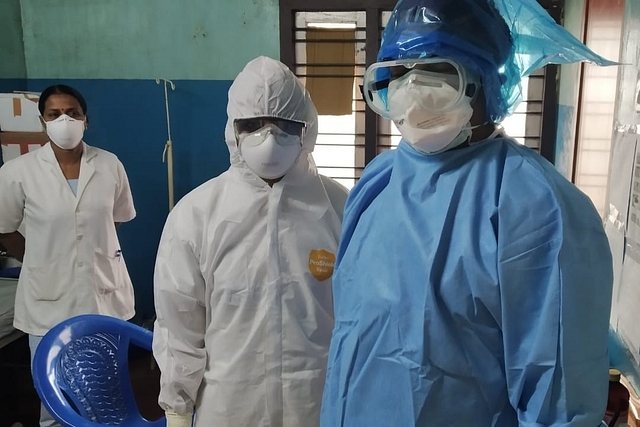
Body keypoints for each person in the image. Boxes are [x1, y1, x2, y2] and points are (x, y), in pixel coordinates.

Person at [320, 0, 616, 425]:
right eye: (398, 73)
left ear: (485, 80)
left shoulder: (537, 206)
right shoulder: (377, 182)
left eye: (437, 71)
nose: (413, 89)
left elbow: (559, 398)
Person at [152, 56, 348, 427]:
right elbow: (179, 325)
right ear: (233, 130)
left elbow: (363, 318)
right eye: (253, 125)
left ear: (307, 129)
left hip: (318, 404)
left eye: (285, 125)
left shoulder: (339, 208)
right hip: (230, 407)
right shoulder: (197, 214)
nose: (269, 137)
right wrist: (178, 411)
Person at [0, 84, 136, 426]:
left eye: (72, 112)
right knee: (54, 396)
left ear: (85, 120)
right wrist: (38, 260)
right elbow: (4, 227)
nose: (64, 120)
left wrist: (89, 249)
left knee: (104, 389)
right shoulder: (18, 172)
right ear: (43, 121)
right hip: (48, 298)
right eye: (54, 113)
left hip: (101, 292)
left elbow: (116, 218)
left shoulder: (109, 164)